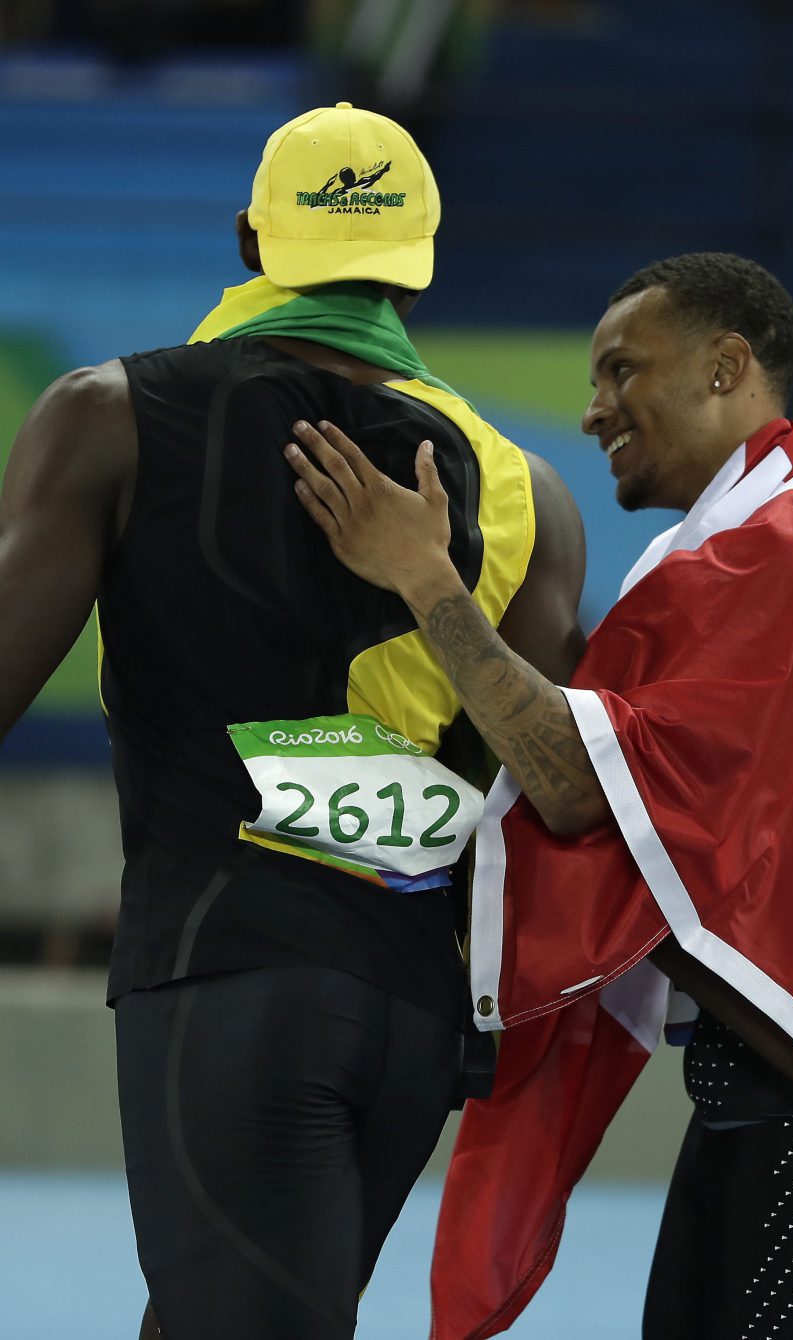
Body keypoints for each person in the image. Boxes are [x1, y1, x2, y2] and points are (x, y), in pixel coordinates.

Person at [283, 251, 793, 1340]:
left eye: (621, 370)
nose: (594, 407)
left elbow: (579, 795)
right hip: (791, 1069)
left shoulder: (783, 559)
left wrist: (427, 579)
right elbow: (660, 828)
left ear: (724, 367)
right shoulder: (744, 551)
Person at [0, 103, 586, 1340]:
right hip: (416, 1014)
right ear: (418, 270)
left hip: (227, 977)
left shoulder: (110, 414)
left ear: (250, 240)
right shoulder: (529, 492)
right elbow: (550, 792)